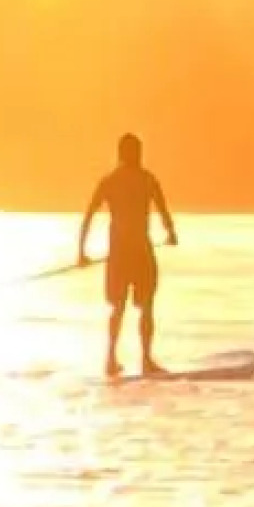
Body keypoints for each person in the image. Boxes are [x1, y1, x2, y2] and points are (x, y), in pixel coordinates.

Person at [77, 133, 178, 377]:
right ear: (128, 153)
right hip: (135, 252)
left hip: (124, 253)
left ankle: (121, 359)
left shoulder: (114, 181)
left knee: (128, 307)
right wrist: (171, 233)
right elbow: (163, 211)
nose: (139, 157)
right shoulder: (143, 180)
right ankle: (128, 359)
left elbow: (89, 215)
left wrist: (81, 252)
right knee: (139, 306)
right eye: (137, 152)